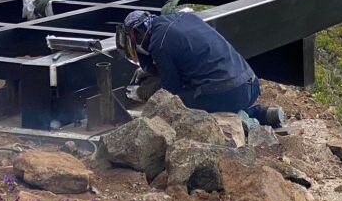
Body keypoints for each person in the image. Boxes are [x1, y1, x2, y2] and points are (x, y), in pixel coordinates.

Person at [121, 9, 284, 126]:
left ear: (137, 34)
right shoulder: (184, 17)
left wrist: (146, 93)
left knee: (176, 107)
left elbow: (171, 91)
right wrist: (153, 69)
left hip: (227, 95)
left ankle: (237, 121)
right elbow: (189, 58)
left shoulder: (159, 43)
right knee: (202, 90)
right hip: (250, 85)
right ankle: (262, 113)